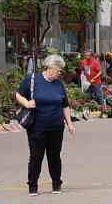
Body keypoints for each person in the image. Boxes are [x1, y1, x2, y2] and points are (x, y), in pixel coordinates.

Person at [15, 53, 74, 194]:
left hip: (56, 126)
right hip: (37, 126)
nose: (60, 74)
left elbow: (65, 105)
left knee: (54, 155)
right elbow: (18, 94)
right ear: (50, 67)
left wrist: (70, 123)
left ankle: (56, 183)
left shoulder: (59, 85)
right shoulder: (32, 79)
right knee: (36, 156)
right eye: (59, 70)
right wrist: (27, 103)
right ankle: (33, 185)